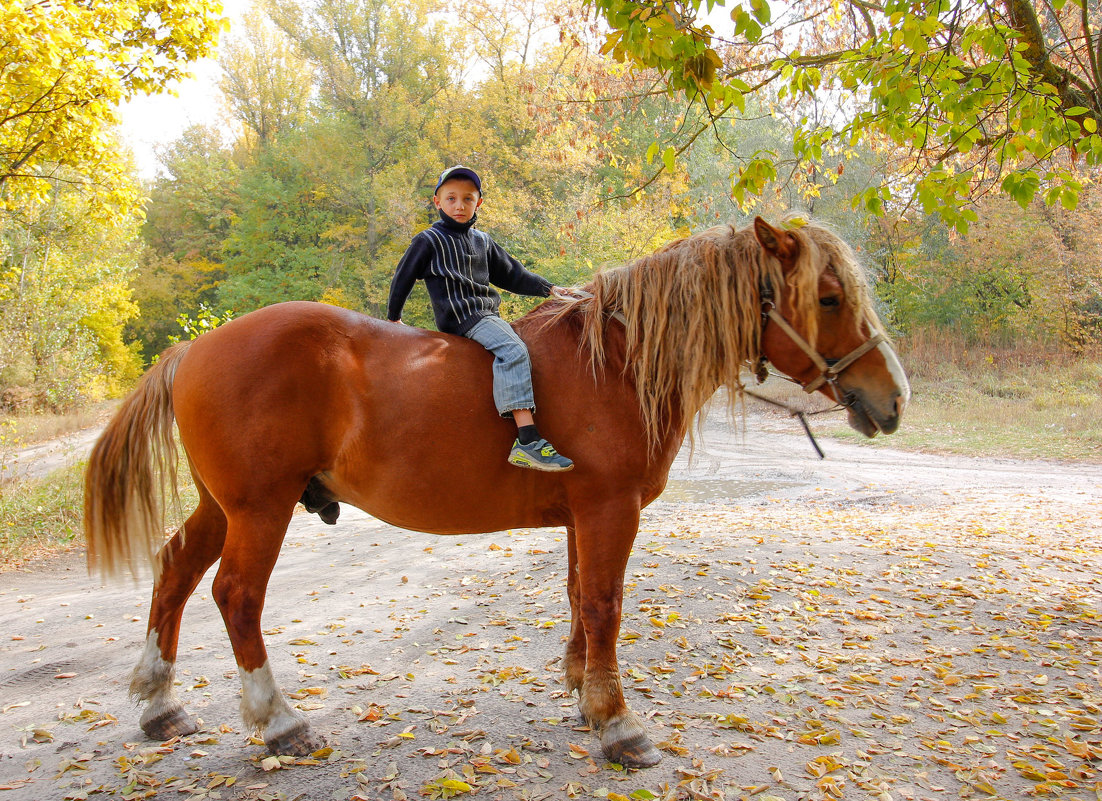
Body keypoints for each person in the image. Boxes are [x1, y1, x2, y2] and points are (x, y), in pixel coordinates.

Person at [387, 165, 574, 472]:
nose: (459, 205)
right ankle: (527, 440)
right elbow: (403, 276)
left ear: (478, 203)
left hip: (487, 315)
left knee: (530, 347)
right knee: (513, 350)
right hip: (462, 317)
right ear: (437, 202)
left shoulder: (482, 242)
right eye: (451, 198)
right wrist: (394, 318)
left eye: (467, 199)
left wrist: (551, 289)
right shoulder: (429, 240)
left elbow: (513, 275)